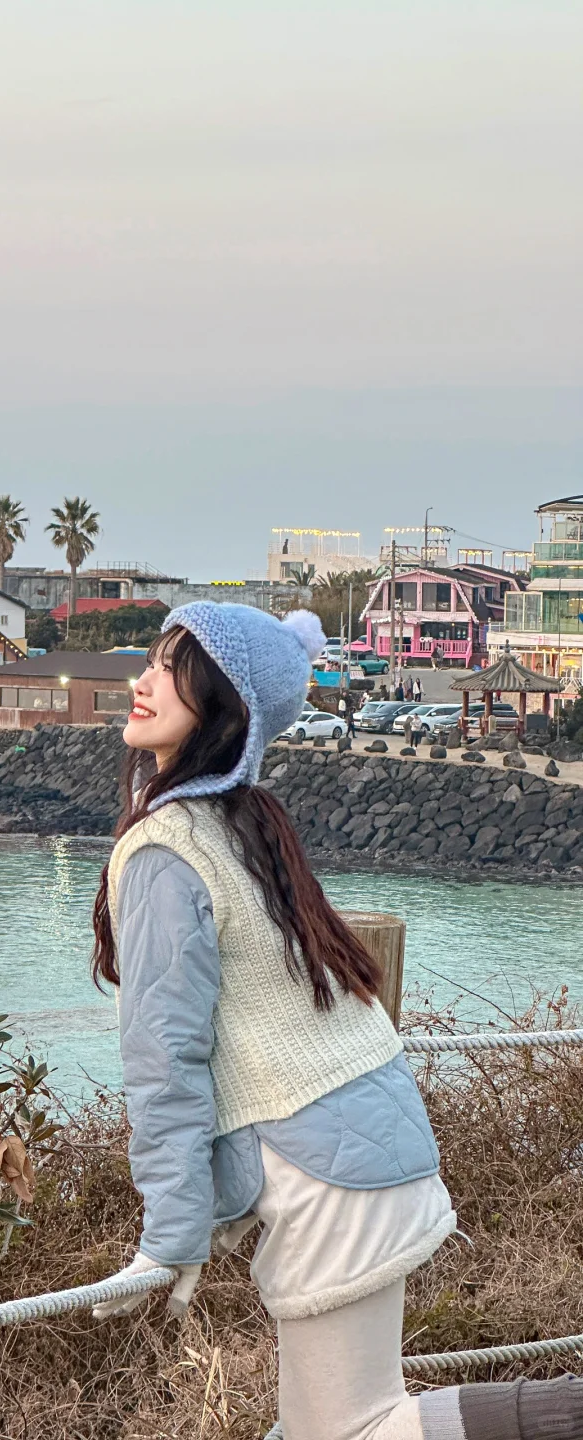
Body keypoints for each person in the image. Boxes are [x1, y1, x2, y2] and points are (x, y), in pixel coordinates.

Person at [90, 601, 583, 1439]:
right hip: (370, 1138)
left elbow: (164, 1060)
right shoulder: (248, 821)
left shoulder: (171, 846)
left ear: (227, 703)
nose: (144, 681)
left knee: (354, 1431)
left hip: (327, 1173)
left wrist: (171, 1236)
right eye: (151, 659)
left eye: (176, 666)